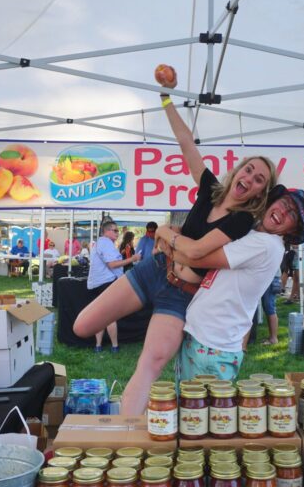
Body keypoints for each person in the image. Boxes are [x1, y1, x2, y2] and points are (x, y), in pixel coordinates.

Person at [74, 63, 276, 414]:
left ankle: (127, 438)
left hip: (182, 296)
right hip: (154, 269)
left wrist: (166, 232)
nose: (250, 178)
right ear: (239, 170)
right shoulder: (210, 189)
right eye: (249, 170)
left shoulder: (242, 222)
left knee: (149, 365)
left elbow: (196, 252)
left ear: (260, 192)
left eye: (259, 180)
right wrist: (166, 97)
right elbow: (186, 143)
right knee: (82, 325)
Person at [168, 185, 304, 380]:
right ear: (273, 200)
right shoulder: (254, 234)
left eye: (292, 215)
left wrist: (166, 237)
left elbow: (195, 257)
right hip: (203, 339)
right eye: (285, 203)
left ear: (292, 229)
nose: (283, 212)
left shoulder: (266, 245)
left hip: (212, 347)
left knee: (197, 409)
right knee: (187, 407)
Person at [87, 221, 140, 353]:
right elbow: (112, 264)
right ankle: (114, 346)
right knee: (110, 316)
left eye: (117, 230)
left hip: (98, 283)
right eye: (115, 230)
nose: (117, 233)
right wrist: (132, 259)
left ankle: (98, 346)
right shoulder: (105, 243)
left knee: (99, 315)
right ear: (106, 231)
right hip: (105, 282)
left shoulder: (101, 243)